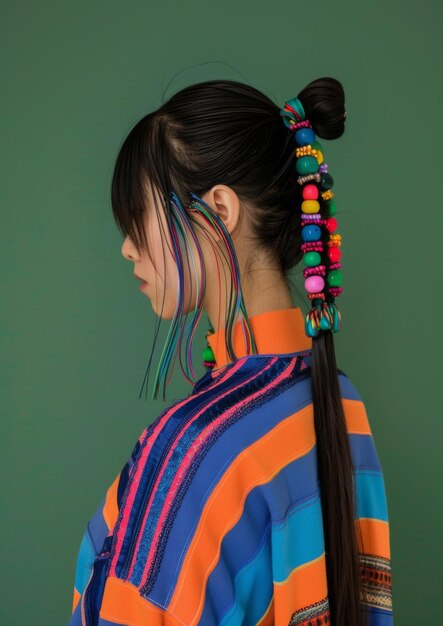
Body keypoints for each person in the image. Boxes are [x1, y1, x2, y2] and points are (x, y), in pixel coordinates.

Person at [68, 77, 393, 626]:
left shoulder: (194, 446)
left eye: (138, 218)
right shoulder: (344, 403)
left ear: (219, 209)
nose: (127, 247)